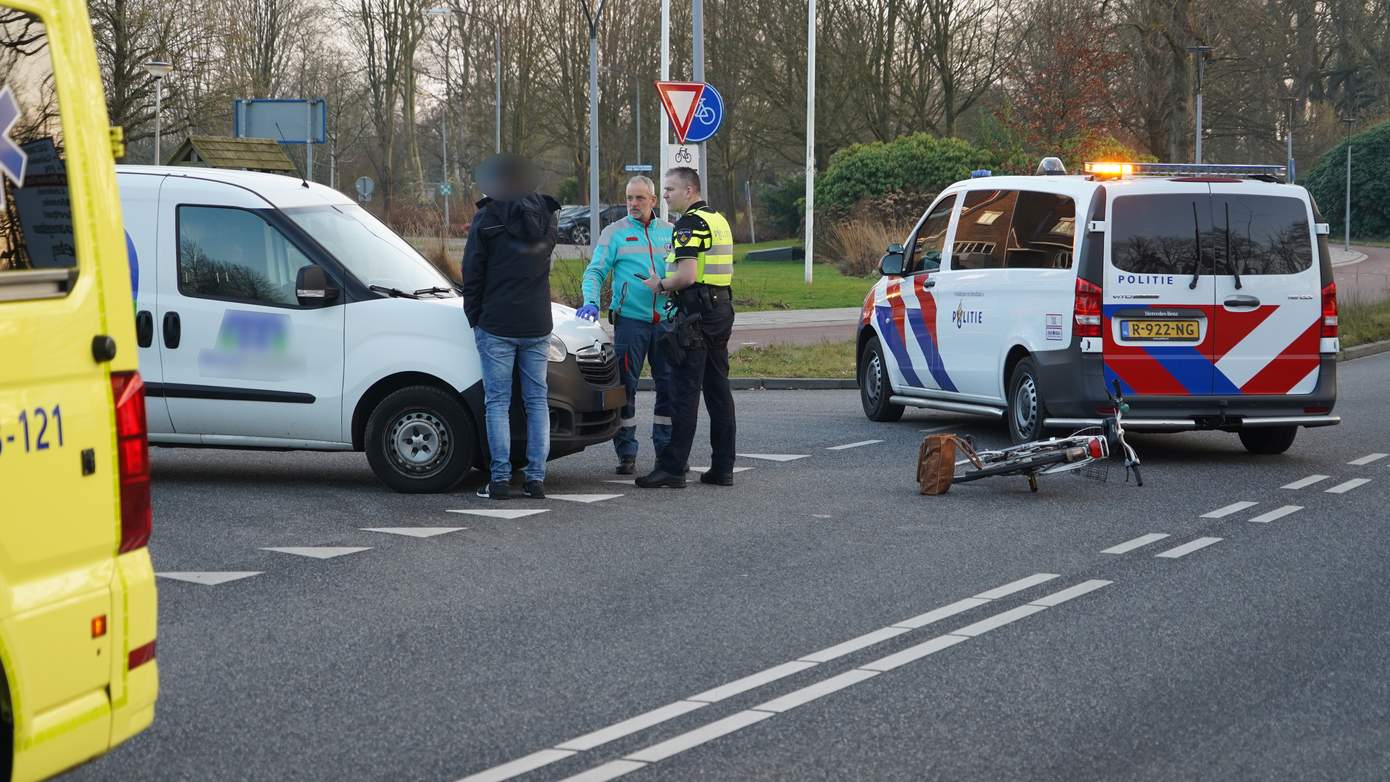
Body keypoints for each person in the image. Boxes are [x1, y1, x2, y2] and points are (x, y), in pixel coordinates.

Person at [461, 154, 560, 500]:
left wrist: (474, 317)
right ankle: (536, 479)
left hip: (496, 323)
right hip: (537, 322)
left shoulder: (487, 218)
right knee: (537, 401)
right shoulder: (548, 216)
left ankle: (500, 479)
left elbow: (472, 273)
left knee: (497, 402)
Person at [635, 167, 736, 489]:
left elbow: (687, 275)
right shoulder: (718, 220)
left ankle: (673, 468)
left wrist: (660, 284)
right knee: (719, 391)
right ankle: (723, 467)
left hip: (696, 313)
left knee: (684, 392)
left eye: (670, 189)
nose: (664, 195)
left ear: (689, 191)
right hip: (720, 309)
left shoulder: (690, 224)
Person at [576, 175, 675, 475]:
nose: (633, 204)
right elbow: (594, 272)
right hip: (631, 323)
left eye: (640, 198)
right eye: (629, 198)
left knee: (669, 388)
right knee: (625, 389)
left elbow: (684, 270)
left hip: (667, 324)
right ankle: (626, 452)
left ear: (653, 201)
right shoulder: (614, 233)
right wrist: (591, 300)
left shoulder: (670, 232)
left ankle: (666, 451)